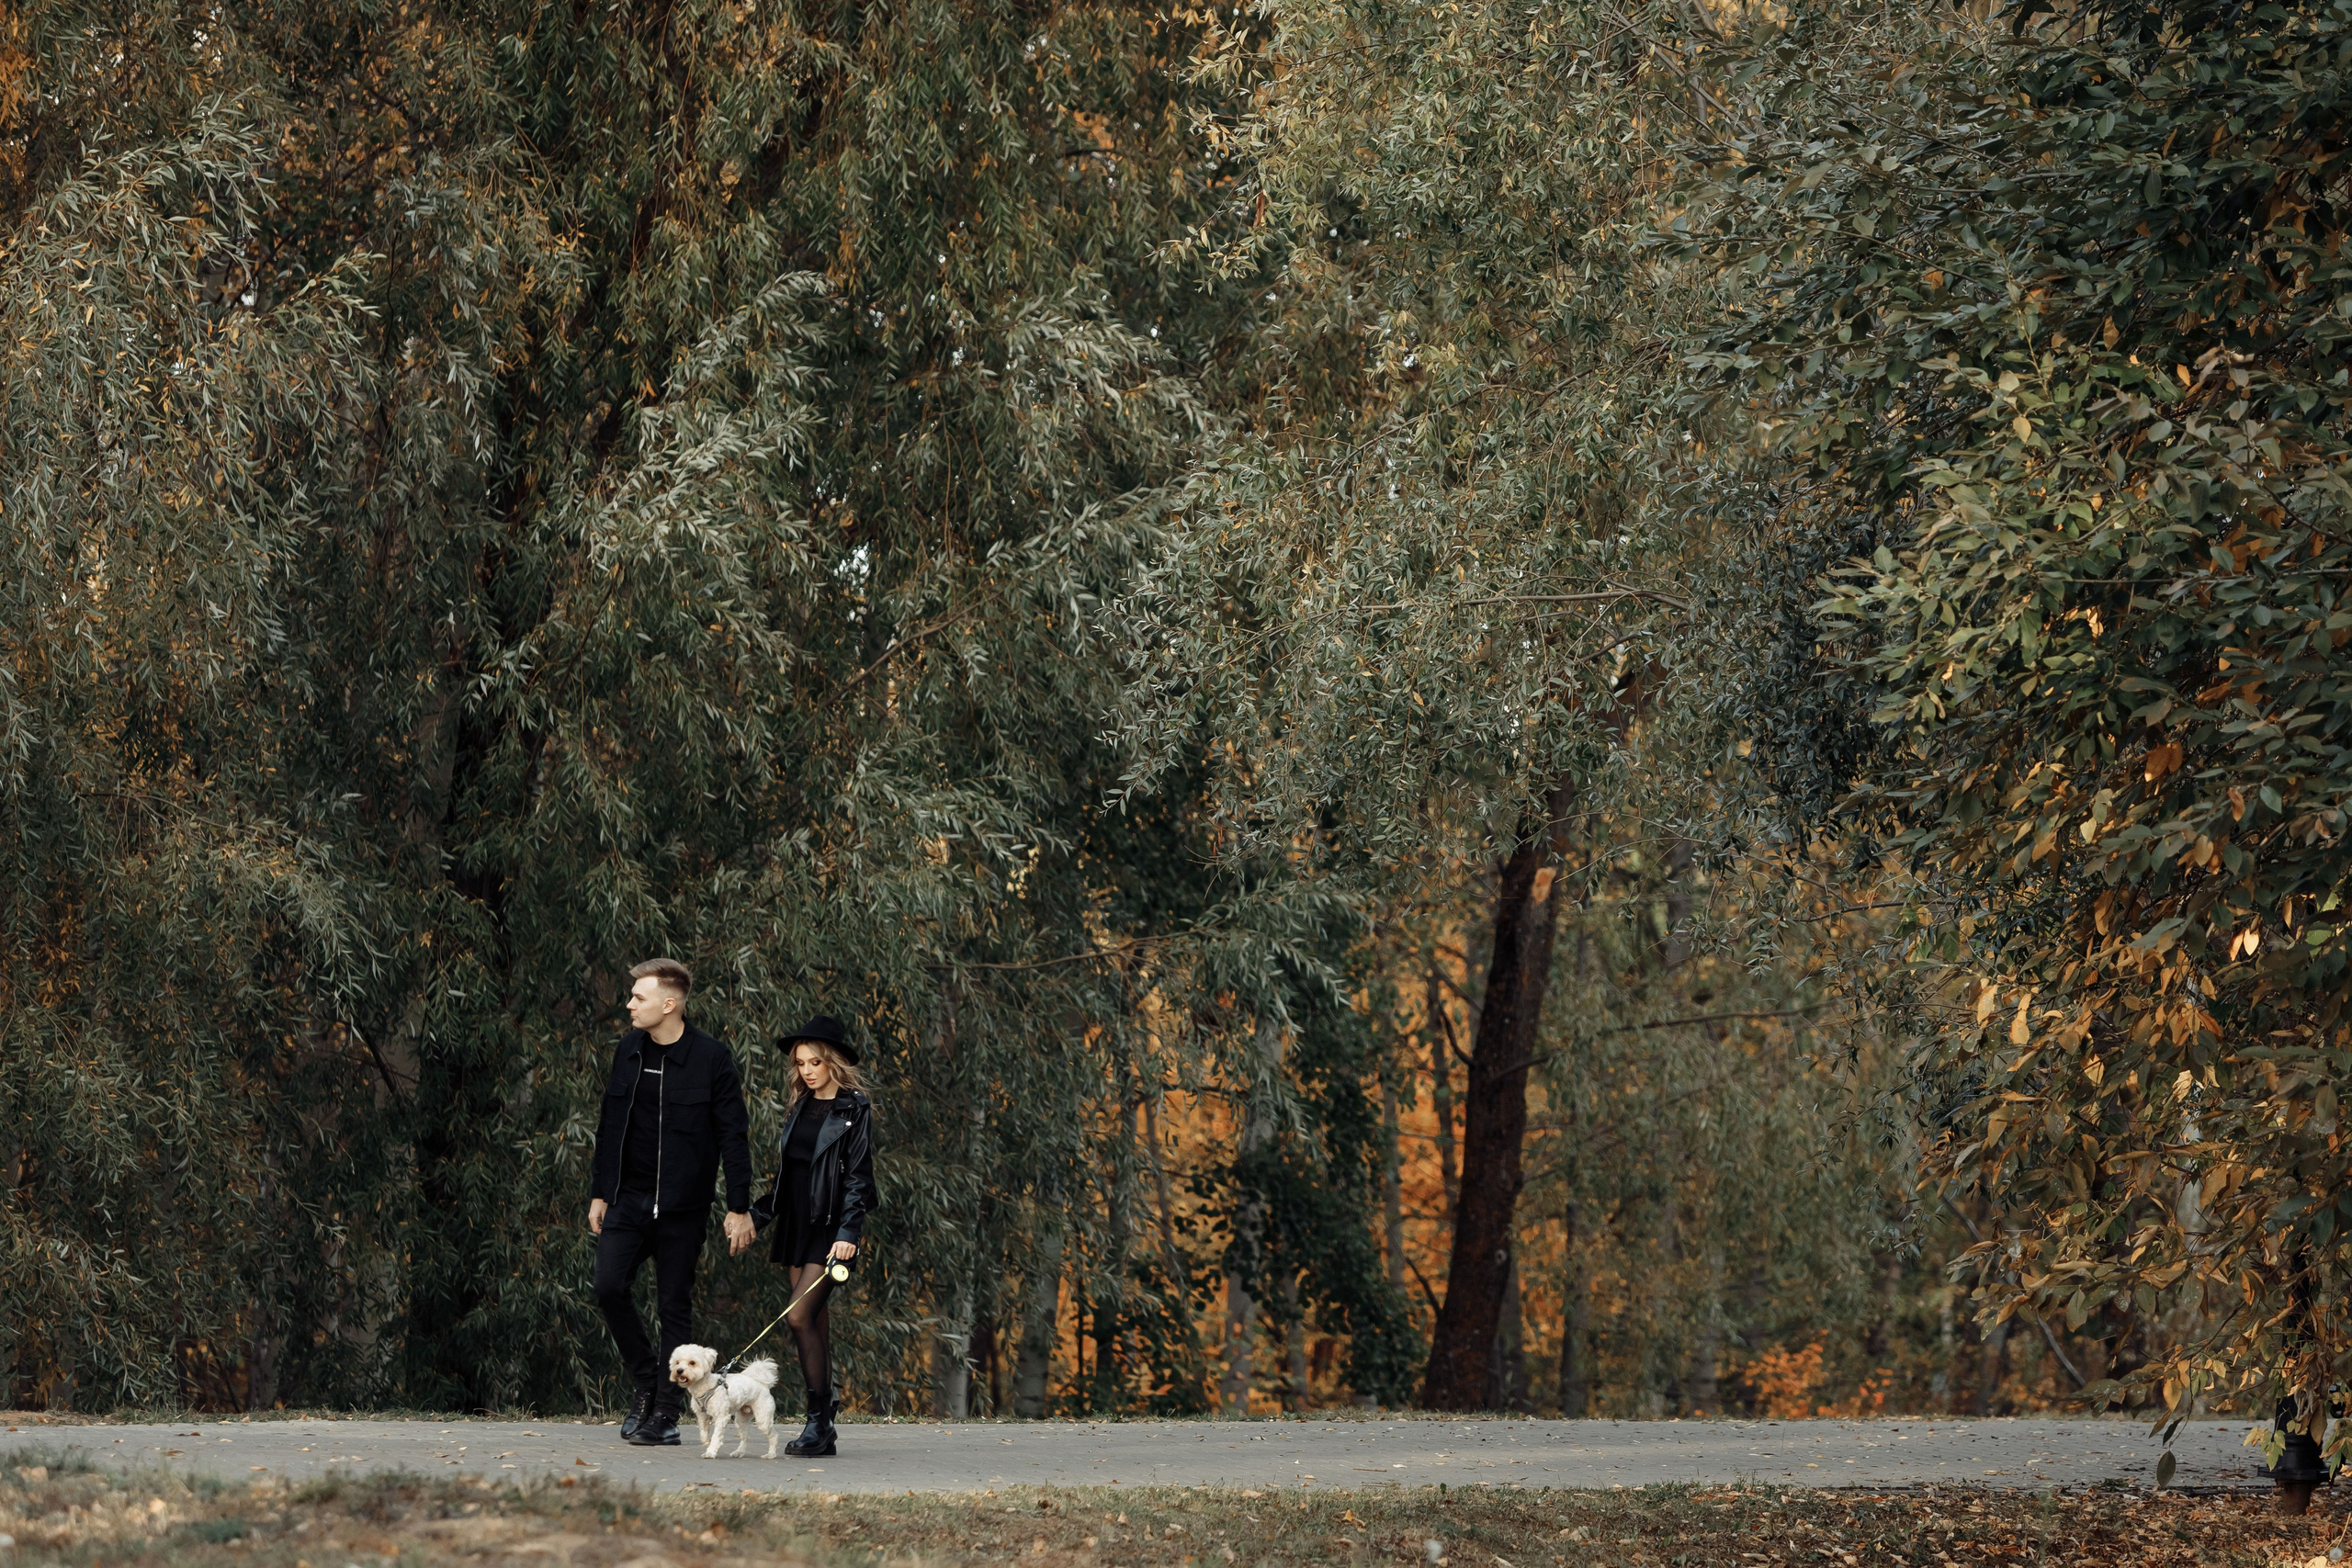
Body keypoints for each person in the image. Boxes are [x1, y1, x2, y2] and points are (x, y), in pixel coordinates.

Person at [588, 958, 755, 1446]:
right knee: (608, 1286)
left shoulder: (711, 1058)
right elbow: (608, 1125)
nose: (629, 1004)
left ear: (670, 1003)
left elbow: (734, 1135)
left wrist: (738, 1205)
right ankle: (647, 1379)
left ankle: (664, 1413)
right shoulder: (629, 1051)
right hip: (627, 1200)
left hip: (682, 1207)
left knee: (673, 1307)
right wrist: (600, 1191)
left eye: (638, 997)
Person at [750, 1015, 876, 1458]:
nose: (806, 1070)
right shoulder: (799, 1105)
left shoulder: (854, 1108)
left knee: (798, 1317)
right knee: (814, 1323)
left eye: (816, 1062)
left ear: (834, 1062)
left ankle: (817, 1420)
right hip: (797, 1223)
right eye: (801, 1062)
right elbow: (789, 1175)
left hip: (832, 1228)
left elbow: (858, 1177)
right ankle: (823, 1427)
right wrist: (756, 1215)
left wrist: (849, 1233)